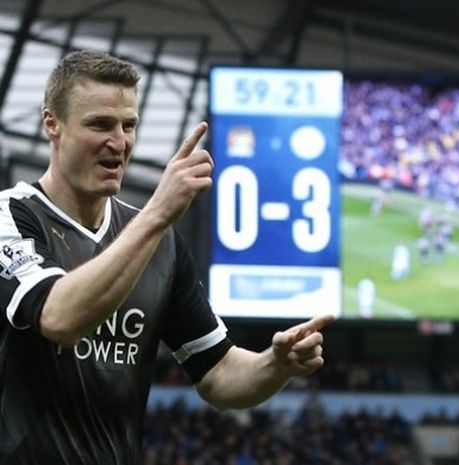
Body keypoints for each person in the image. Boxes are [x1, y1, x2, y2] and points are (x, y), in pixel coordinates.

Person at [0, 49, 333, 464]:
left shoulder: (162, 243)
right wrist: (158, 213)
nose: (118, 142)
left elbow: (219, 374)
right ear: (52, 124)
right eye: (100, 124)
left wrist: (276, 364)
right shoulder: (11, 217)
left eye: (129, 125)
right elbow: (60, 319)